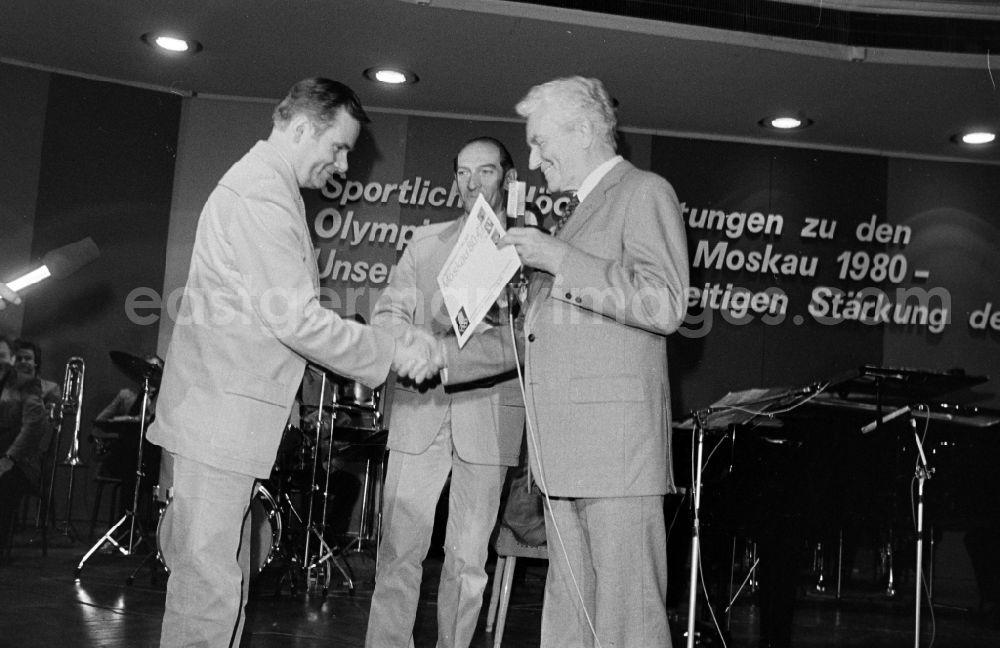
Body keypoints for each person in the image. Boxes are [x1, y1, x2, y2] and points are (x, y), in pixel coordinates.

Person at [146, 77, 440, 648]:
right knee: (208, 590)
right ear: (302, 127)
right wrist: (393, 351)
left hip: (224, 419)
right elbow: (298, 321)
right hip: (220, 420)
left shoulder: (268, 188)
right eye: (338, 146)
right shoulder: (261, 192)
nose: (344, 162)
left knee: (220, 586)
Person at [484, 76, 689, 647]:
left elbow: (665, 302)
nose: (532, 158)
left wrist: (558, 256)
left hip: (616, 458)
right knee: (570, 620)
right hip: (569, 454)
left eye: (539, 141)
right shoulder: (576, 214)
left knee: (628, 625)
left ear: (582, 130)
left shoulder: (644, 191)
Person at [364, 136, 526, 648]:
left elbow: (529, 337)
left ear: (509, 178)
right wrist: (408, 339)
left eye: (485, 171)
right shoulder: (425, 242)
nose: (472, 183)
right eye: (462, 172)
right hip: (419, 411)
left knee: (467, 561)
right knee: (398, 552)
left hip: (490, 416)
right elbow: (387, 313)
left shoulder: (530, 249)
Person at [0, 336, 50, 565]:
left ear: (10, 359)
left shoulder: (27, 384)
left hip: (19, 462)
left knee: (4, 482)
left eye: (2, 356)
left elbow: (35, 425)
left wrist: (9, 458)